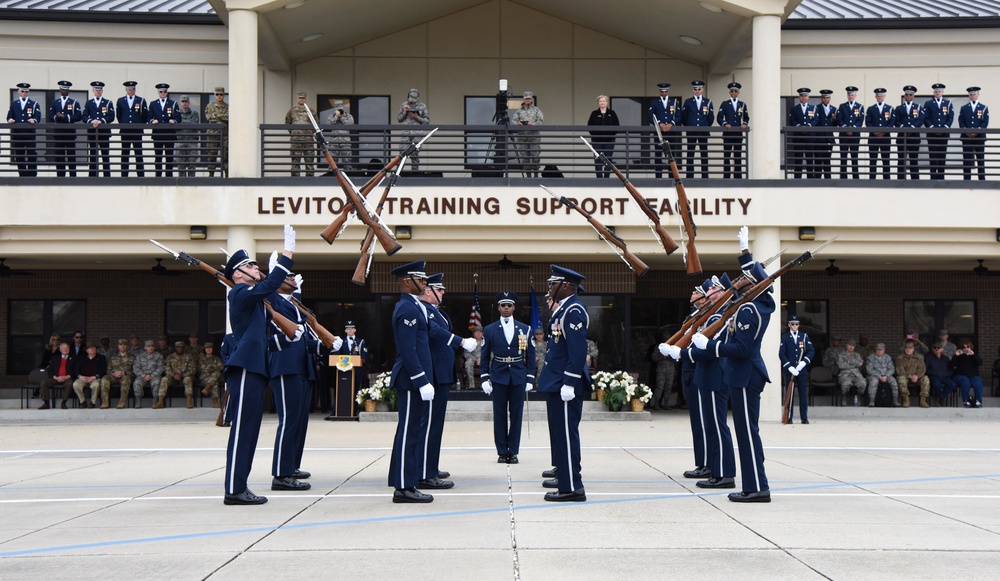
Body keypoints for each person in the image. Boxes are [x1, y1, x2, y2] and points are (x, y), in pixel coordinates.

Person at [690, 253, 775, 503]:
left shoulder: (750, 308)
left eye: (742, 279)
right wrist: (745, 255)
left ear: (751, 285)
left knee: (748, 434)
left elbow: (742, 349)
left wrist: (710, 347)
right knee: (745, 433)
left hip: (746, 374)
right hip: (741, 375)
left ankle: (758, 487)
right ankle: (753, 485)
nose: (736, 283)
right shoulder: (748, 305)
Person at [222, 224, 296, 506]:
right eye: (251, 265)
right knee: (242, 429)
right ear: (238, 274)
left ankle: (240, 485)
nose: (256, 268)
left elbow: (272, 295)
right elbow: (267, 287)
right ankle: (233, 489)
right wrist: (286, 254)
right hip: (244, 368)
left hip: (256, 368)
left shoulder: (254, 298)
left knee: (250, 430)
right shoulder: (239, 292)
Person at [664, 274, 735, 490]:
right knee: (708, 424)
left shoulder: (719, 317)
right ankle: (715, 469)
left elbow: (713, 350)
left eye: (714, 289)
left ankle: (723, 472)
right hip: (705, 374)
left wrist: (683, 354)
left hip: (713, 375)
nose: (710, 292)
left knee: (715, 425)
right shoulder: (711, 316)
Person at [267, 264, 326, 493]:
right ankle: (281, 475)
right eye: (288, 277)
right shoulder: (274, 301)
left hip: (301, 367)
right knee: (289, 422)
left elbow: (301, 336)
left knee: (300, 422)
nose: (293, 280)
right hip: (285, 368)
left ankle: (290, 466)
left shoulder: (292, 303)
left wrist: (319, 345)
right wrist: (277, 270)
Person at [538, 265, 590, 502]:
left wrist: (570, 382)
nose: (549, 288)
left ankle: (572, 488)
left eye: (553, 284)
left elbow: (577, 351)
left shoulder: (574, 310)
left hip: (564, 385)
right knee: (560, 434)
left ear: (566, 285)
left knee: (567, 435)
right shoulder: (564, 309)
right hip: (556, 382)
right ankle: (565, 478)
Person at [386, 260, 436, 504]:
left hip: (415, 379)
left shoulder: (414, 306)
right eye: (422, 279)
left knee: (413, 431)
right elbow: (408, 349)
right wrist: (421, 380)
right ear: (408, 281)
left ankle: (407, 482)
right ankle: (404, 487)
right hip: (411, 380)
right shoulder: (407, 308)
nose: (425, 284)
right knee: (408, 432)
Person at [418, 274, 475, 487]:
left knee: (436, 425)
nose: (443, 293)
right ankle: (424, 472)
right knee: (429, 424)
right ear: (427, 290)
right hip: (432, 374)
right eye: (439, 289)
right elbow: (435, 333)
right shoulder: (425, 310)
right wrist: (461, 342)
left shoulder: (436, 312)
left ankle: (430, 466)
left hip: (441, 375)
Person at [480, 291, 535, 465]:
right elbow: (485, 355)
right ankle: (502, 451)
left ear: (514, 307)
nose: (506, 308)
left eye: (509, 305)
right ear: (498, 307)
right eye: (503, 305)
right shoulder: (489, 330)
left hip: (518, 375)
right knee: (500, 415)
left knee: (517, 415)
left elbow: (530, 355)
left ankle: (514, 451)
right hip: (498, 375)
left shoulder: (525, 329)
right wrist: (484, 378)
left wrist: (529, 378)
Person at [779, 315, 814, 423]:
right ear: (789, 325)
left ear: (799, 325)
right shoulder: (784, 337)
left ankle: (804, 418)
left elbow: (811, 351)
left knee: (803, 394)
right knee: (790, 393)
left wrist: (803, 363)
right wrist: (789, 366)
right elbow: (782, 353)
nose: (794, 326)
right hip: (790, 371)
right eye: (792, 324)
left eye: (796, 324)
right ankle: (788, 417)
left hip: (801, 370)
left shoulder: (804, 337)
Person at [47, 80, 82, 177]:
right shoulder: (55, 102)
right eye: (63, 89)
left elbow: (78, 116)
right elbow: (50, 116)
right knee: (59, 156)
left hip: (70, 133)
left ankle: (73, 176)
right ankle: (60, 176)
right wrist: (57, 117)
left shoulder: (74, 102)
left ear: (68, 91)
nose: (64, 91)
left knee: (71, 156)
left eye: (66, 89)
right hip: (58, 133)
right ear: (60, 90)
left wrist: (65, 117)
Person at [647, 82, 681, 178]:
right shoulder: (654, 101)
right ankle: (658, 176)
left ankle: (671, 176)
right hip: (659, 132)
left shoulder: (674, 101)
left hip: (671, 132)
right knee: (658, 154)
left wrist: (671, 124)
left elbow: (679, 116)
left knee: (671, 154)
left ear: (668, 91)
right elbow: (650, 116)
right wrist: (660, 124)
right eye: (662, 91)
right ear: (659, 91)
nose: (664, 93)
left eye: (666, 91)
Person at [7, 82, 41, 177]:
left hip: (29, 133)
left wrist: (33, 120)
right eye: (22, 91)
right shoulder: (14, 104)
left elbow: (38, 116)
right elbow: (9, 116)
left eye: (26, 91)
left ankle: (32, 174)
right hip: (18, 133)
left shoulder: (34, 104)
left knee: (31, 153)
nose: (24, 93)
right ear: (18, 91)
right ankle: (22, 174)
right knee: (19, 154)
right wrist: (10, 120)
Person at [681, 80, 713, 179]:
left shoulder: (708, 102)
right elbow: (684, 117)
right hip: (691, 131)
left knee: (704, 154)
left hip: (703, 131)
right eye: (695, 89)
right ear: (693, 90)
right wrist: (690, 126)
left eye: (699, 89)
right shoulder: (688, 102)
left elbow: (710, 117)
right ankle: (690, 176)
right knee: (690, 154)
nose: (697, 91)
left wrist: (705, 126)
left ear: (702, 90)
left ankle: (705, 176)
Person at [717, 82, 749, 179]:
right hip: (728, 133)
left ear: (738, 93)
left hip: (738, 133)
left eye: (735, 91)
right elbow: (719, 117)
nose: (734, 93)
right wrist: (725, 123)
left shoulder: (742, 104)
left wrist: (744, 124)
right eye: (732, 91)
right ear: (729, 93)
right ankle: (726, 176)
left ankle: (738, 176)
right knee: (727, 156)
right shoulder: (725, 104)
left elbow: (746, 117)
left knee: (737, 156)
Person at [148, 83, 181, 177]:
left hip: (169, 133)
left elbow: (178, 117)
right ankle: (158, 176)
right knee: (158, 156)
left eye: (165, 91)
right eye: (161, 91)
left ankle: (168, 176)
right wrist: (152, 120)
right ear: (158, 92)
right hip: (158, 134)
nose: (163, 93)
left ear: (167, 92)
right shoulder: (153, 104)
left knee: (169, 157)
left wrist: (174, 121)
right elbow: (148, 116)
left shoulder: (173, 103)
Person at [116, 81, 147, 177]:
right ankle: (124, 176)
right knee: (125, 153)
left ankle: (140, 176)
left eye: (133, 89)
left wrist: (139, 125)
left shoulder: (141, 100)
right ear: (126, 89)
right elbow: (119, 115)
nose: (131, 91)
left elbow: (144, 115)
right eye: (129, 89)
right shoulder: (120, 100)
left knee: (138, 153)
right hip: (125, 130)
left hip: (137, 131)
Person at [924, 83, 953, 180]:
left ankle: (941, 177)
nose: (937, 93)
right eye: (936, 91)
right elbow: (926, 117)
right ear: (933, 92)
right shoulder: (928, 103)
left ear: (942, 92)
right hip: (932, 134)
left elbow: (950, 117)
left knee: (942, 156)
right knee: (932, 156)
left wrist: (944, 127)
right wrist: (932, 127)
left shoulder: (947, 103)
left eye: (939, 91)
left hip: (943, 134)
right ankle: (933, 177)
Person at [958, 86, 989, 181]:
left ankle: (982, 180)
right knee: (967, 160)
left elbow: (985, 121)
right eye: (970, 94)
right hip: (966, 137)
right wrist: (966, 131)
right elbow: (961, 121)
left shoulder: (983, 107)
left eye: (974, 94)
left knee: (980, 160)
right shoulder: (964, 108)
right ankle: (967, 180)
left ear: (978, 94)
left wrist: (977, 131)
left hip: (979, 137)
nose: (972, 96)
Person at [511, 91, 544, 178]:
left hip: (534, 137)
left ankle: (536, 176)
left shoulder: (536, 110)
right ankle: (528, 176)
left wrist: (532, 123)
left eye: (529, 98)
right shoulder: (519, 111)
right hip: (522, 137)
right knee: (525, 157)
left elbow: (541, 121)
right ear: (524, 99)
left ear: (532, 99)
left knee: (535, 155)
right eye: (526, 98)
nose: (527, 100)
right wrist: (518, 123)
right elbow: (513, 121)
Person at [894, 85, 924, 180]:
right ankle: (901, 179)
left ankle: (915, 180)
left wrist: (912, 128)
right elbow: (896, 120)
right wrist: (903, 128)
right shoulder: (899, 108)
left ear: (913, 96)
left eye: (910, 94)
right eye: (906, 94)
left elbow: (920, 119)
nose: (908, 96)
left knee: (913, 160)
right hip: (902, 136)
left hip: (914, 136)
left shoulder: (918, 107)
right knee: (901, 159)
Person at [397, 88, 430, 170]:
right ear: (408, 96)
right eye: (412, 97)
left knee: (414, 154)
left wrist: (416, 117)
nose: (413, 100)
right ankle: (398, 173)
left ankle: (415, 173)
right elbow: (399, 119)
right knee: (402, 153)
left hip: (417, 134)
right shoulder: (404, 105)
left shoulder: (422, 106)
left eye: (415, 98)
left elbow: (427, 121)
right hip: (406, 133)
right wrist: (405, 113)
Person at [587, 95, 619, 178]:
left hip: (609, 140)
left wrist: (610, 134)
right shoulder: (594, 113)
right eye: (600, 101)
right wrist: (596, 135)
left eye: (604, 101)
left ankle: (607, 177)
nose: (602, 102)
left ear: (607, 102)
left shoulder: (612, 113)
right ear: (598, 103)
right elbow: (590, 126)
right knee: (598, 159)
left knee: (608, 159)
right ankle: (599, 177)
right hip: (597, 140)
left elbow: (617, 126)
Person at [157, 341, 196, 409]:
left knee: (188, 379)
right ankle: (160, 401)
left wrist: (183, 375)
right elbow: (167, 368)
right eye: (178, 347)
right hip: (173, 377)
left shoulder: (189, 357)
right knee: (164, 379)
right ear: (175, 348)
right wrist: (173, 375)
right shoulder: (170, 357)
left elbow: (193, 369)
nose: (180, 349)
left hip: (184, 376)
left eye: (181, 347)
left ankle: (189, 401)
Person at [865, 88, 894, 179]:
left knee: (885, 160)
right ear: (875, 97)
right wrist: (875, 132)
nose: (879, 97)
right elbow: (868, 122)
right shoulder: (871, 109)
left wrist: (884, 132)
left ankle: (886, 180)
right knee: (873, 160)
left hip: (885, 138)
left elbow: (892, 122)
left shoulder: (890, 108)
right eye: (878, 95)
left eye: (881, 95)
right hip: (873, 138)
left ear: (884, 96)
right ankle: (872, 180)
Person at [786, 88, 815, 179]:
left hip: (809, 136)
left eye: (805, 96)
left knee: (809, 159)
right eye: (802, 96)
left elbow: (816, 120)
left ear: (808, 97)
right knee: (798, 159)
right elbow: (791, 120)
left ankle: (810, 178)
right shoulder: (794, 108)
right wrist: (799, 127)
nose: (803, 98)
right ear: (799, 97)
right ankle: (797, 178)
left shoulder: (813, 108)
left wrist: (808, 126)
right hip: (798, 136)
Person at [837, 86, 865, 179]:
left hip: (855, 135)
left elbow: (860, 120)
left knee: (854, 157)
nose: (850, 96)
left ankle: (855, 178)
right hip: (844, 135)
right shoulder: (842, 106)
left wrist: (853, 128)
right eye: (849, 94)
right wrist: (845, 128)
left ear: (855, 95)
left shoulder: (860, 106)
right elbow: (839, 119)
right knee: (843, 157)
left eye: (852, 94)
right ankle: (843, 178)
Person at [286, 91, 315, 177]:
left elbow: (316, 123)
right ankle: (295, 178)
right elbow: (288, 122)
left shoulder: (311, 111)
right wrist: (294, 133)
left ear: (305, 99)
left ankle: (309, 178)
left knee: (309, 160)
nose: (301, 100)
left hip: (308, 140)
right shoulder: (292, 111)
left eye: (303, 98)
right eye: (300, 98)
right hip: (296, 140)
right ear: (297, 99)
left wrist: (309, 133)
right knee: (295, 160)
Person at [38, 342, 75, 410]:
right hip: (56, 378)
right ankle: (46, 403)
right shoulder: (55, 358)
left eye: (67, 348)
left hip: (67, 378)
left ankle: (64, 402)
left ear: (69, 349)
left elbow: (76, 370)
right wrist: (55, 377)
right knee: (44, 382)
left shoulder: (74, 358)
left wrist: (67, 377)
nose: (65, 349)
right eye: (63, 348)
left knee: (70, 383)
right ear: (60, 350)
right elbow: (50, 370)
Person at [72, 341, 107, 409]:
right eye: (90, 348)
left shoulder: (101, 358)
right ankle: (82, 401)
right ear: (87, 350)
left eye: (94, 348)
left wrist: (95, 376)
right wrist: (80, 376)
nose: (93, 349)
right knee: (75, 384)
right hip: (83, 377)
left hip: (94, 378)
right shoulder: (81, 358)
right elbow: (76, 369)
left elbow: (103, 369)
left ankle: (93, 402)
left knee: (96, 385)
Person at [895, 340, 930, 408]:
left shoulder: (919, 357)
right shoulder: (900, 358)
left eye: (910, 348)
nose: (908, 350)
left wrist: (917, 376)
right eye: (906, 348)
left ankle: (923, 401)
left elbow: (922, 368)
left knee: (926, 379)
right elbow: (900, 370)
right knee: (901, 379)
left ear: (913, 349)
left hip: (917, 376)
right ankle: (906, 400)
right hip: (906, 376)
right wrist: (910, 376)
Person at [102, 339, 136, 409]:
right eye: (120, 345)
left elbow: (135, 371)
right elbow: (108, 370)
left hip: (126, 376)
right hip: (114, 376)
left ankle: (122, 402)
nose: (122, 346)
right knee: (104, 378)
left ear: (127, 346)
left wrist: (124, 373)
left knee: (126, 380)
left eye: (124, 345)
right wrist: (113, 373)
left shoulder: (132, 357)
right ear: (118, 346)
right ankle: (105, 402)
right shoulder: (113, 357)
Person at [204, 87, 229, 176]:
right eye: (217, 94)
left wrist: (217, 115)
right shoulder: (209, 106)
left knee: (225, 156)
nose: (219, 96)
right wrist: (222, 116)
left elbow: (228, 117)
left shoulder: (228, 106)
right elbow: (209, 117)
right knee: (211, 156)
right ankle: (211, 175)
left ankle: (226, 176)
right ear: (214, 95)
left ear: (224, 95)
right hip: (212, 135)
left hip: (225, 135)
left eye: (221, 94)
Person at [650, 328, 677, 410]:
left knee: (668, 387)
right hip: (661, 370)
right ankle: (656, 404)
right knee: (660, 387)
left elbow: (677, 358)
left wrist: (670, 357)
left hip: (670, 369)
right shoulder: (659, 347)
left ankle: (666, 404)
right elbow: (653, 358)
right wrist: (661, 357)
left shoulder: (673, 347)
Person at [951, 340, 983, 408]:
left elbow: (980, 362)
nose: (966, 349)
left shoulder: (974, 356)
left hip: (973, 375)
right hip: (960, 375)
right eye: (964, 347)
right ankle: (966, 400)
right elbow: (951, 365)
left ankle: (978, 401)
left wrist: (973, 355)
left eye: (967, 347)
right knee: (965, 381)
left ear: (971, 347)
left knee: (978, 381)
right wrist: (956, 355)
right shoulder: (959, 356)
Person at [925, 342, 958, 406]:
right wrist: (932, 373)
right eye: (935, 348)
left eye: (939, 348)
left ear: (942, 349)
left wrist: (948, 374)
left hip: (945, 377)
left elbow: (950, 368)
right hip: (934, 377)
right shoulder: (928, 358)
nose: (937, 349)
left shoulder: (946, 358)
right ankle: (940, 398)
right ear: (932, 349)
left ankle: (940, 397)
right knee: (937, 385)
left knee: (953, 385)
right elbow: (925, 369)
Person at [814, 89, 837, 179]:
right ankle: (818, 179)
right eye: (824, 97)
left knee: (827, 161)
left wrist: (835, 119)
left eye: (827, 97)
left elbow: (835, 124)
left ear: (830, 98)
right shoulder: (816, 108)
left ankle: (828, 179)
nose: (825, 99)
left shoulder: (833, 109)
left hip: (829, 138)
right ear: (821, 98)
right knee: (818, 161)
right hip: (819, 138)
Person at [866, 343, 897, 407]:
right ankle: (872, 401)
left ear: (884, 350)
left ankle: (895, 401)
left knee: (894, 382)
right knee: (874, 382)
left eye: (881, 350)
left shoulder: (888, 357)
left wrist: (886, 376)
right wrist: (879, 376)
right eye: (878, 349)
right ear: (875, 350)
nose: (879, 351)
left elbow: (891, 369)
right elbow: (869, 370)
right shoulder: (870, 357)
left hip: (886, 375)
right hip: (874, 375)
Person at [325, 99, 354, 169]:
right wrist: (336, 117)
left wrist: (342, 118)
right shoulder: (332, 116)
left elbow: (351, 125)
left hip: (345, 142)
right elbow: (328, 125)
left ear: (343, 108)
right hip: (334, 142)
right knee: (332, 163)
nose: (340, 111)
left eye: (341, 109)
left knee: (347, 162)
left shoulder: (348, 116)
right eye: (338, 109)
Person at [176, 96, 200, 177]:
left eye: (186, 101)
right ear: (180, 103)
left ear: (189, 103)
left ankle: (191, 183)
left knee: (192, 164)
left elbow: (194, 124)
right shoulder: (176, 114)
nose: (184, 103)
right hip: (180, 141)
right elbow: (176, 125)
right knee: (181, 165)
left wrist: (182, 123)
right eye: (183, 101)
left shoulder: (195, 113)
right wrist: (187, 123)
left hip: (192, 141)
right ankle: (182, 184)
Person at [837, 339, 866, 405]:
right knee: (846, 384)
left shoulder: (857, 355)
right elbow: (840, 365)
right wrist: (853, 364)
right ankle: (844, 398)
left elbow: (860, 363)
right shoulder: (841, 354)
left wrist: (847, 362)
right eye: (850, 345)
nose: (851, 347)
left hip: (856, 374)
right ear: (846, 345)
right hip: (845, 374)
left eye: (853, 346)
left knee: (862, 383)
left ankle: (858, 397)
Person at [199, 342, 225, 408]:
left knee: (217, 373)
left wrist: (211, 367)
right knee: (215, 381)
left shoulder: (216, 358)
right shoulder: (202, 359)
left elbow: (221, 367)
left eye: (210, 348)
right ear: (204, 349)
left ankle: (207, 388)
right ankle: (215, 401)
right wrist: (214, 367)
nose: (208, 349)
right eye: (207, 348)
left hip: (214, 377)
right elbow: (203, 369)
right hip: (205, 377)